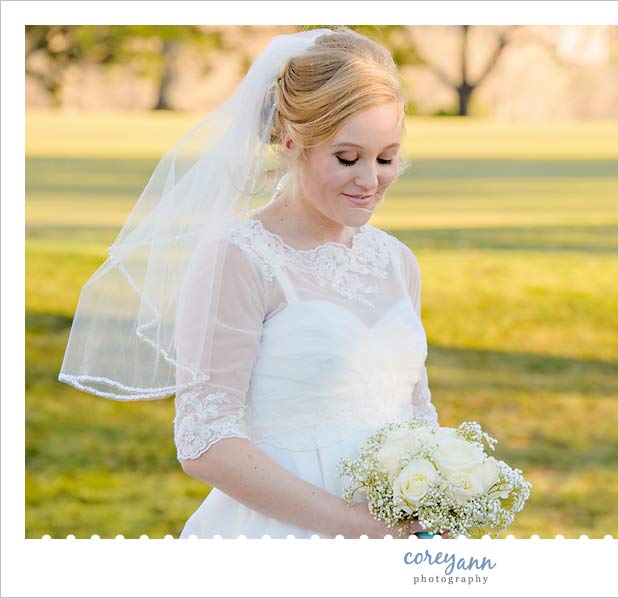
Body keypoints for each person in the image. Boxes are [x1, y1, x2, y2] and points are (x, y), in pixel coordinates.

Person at [58, 27, 440, 539]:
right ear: (291, 141)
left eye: (386, 157)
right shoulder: (239, 260)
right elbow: (205, 441)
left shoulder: (396, 261)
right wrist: (352, 526)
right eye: (347, 158)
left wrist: (441, 489)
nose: (370, 180)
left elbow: (415, 409)